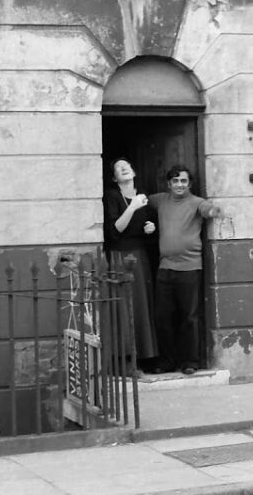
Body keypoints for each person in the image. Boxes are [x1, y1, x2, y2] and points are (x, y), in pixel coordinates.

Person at [149, 165, 220, 375]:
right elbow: (140, 200)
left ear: (189, 184)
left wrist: (214, 210)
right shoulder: (160, 200)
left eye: (183, 181)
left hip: (190, 268)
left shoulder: (196, 202)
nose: (179, 185)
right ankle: (168, 361)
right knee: (163, 318)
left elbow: (208, 209)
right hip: (165, 268)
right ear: (169, 184)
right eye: (175, 181)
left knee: (189, 318)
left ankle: (190, 361)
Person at [103, 158, 159, 369]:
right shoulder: (112, 196)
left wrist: (150, 228)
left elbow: (148, 231)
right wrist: (132, 206)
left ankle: (144, 357)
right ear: (114, 177)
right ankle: (123, 360)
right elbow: (115, 230)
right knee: (122, 307)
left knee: (141, 307)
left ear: (134, 171)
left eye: (127, 165)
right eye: (118, 167)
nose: (124, 168)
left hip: (139, 256)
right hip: (119, 257)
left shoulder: (143, 196)